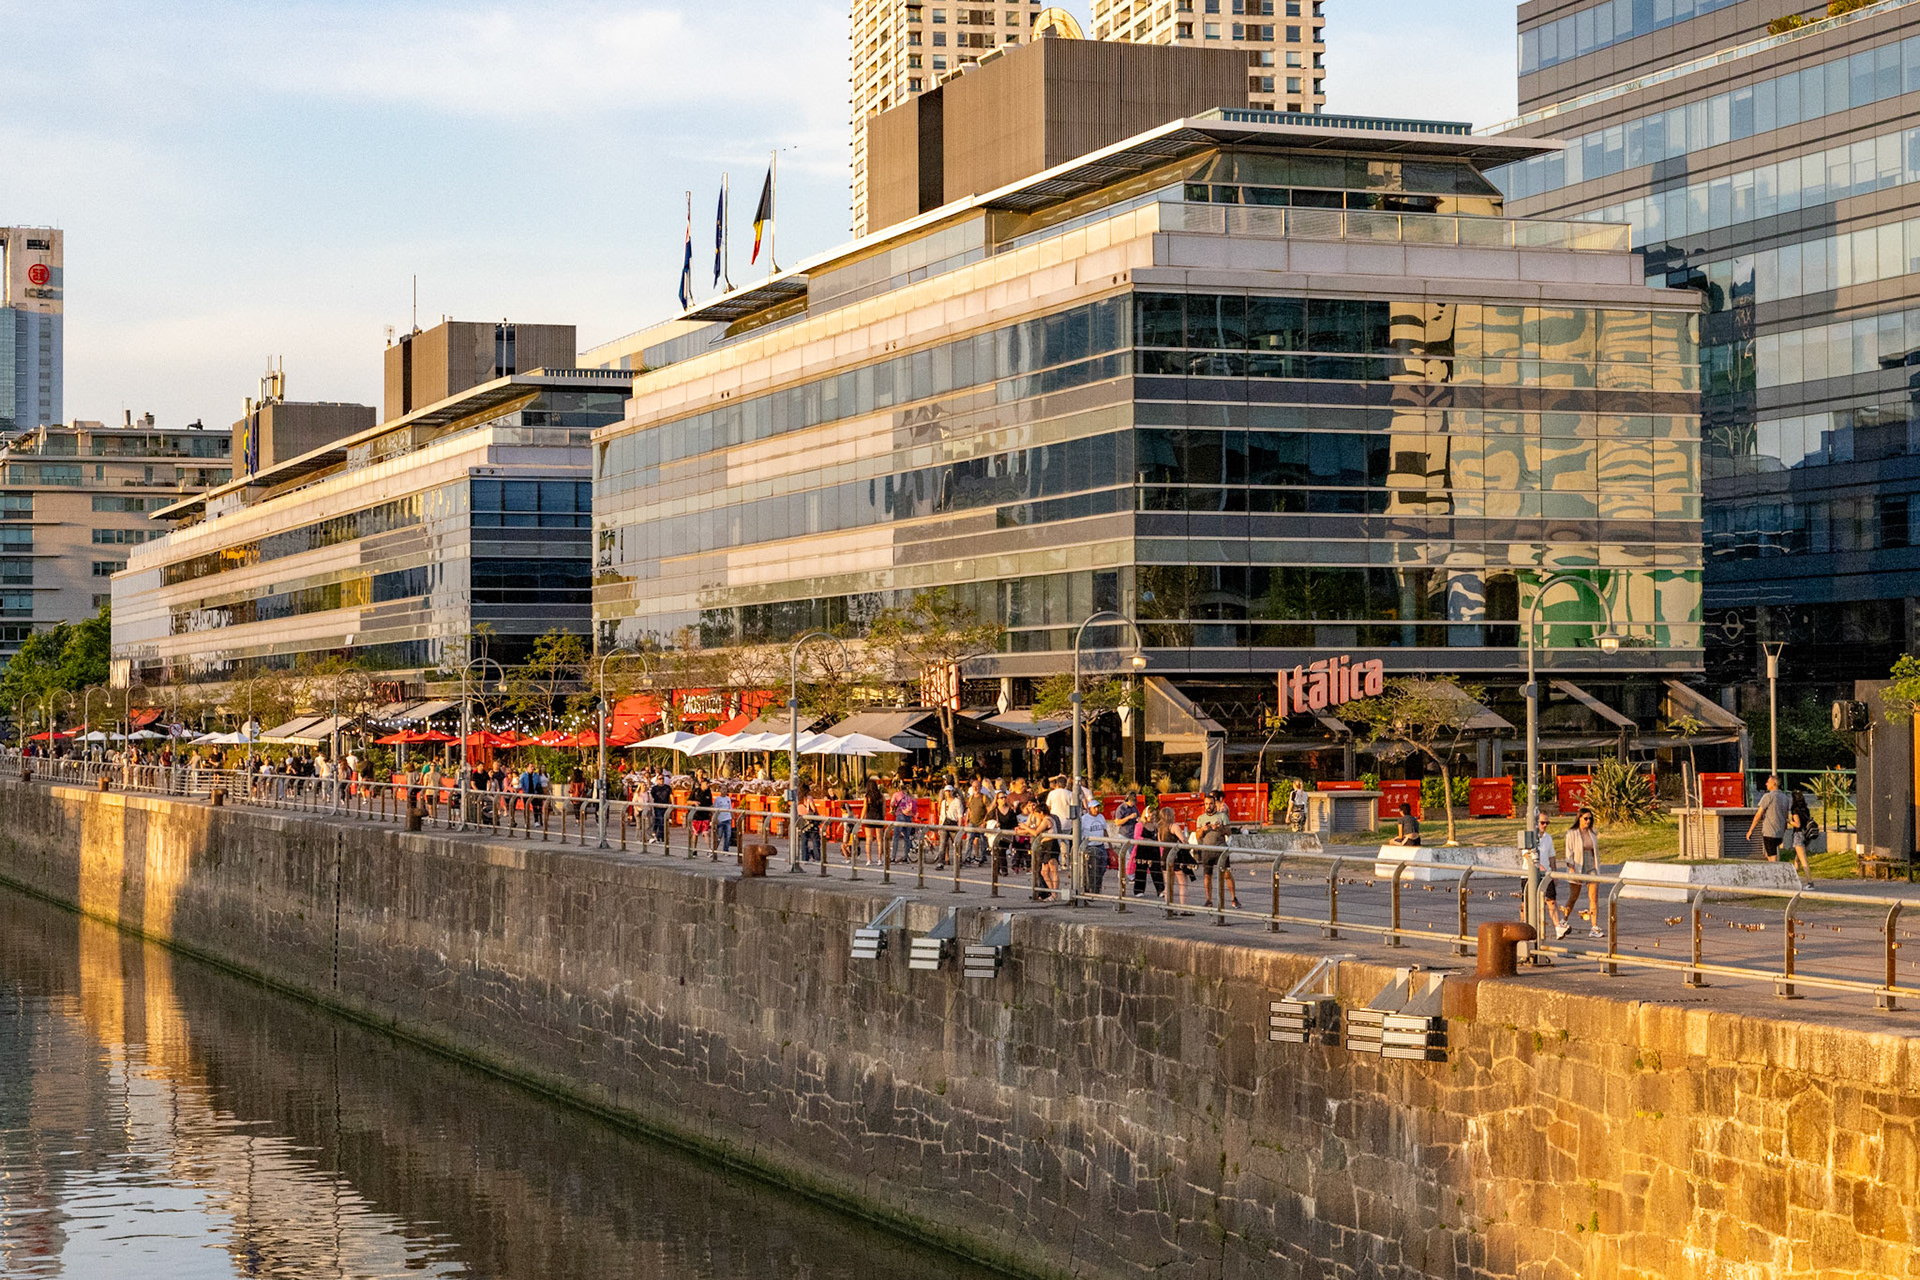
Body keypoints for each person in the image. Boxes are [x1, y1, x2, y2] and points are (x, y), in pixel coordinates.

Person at [1194, 794, 1238, 909]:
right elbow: (1197, 835)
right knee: (1207, 875)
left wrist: (1219, 828)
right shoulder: (1200, 818)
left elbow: (1229, 832)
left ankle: (1234, 898)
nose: (1208, 806)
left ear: (1215, 805)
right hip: (1207, 850)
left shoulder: (1222, 816)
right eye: (1206, 804)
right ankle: (1208, 900)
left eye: (1211, 804)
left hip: (1221, 849)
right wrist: (1202, 829)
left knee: (1226, 874)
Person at [1564, 807, 1603, 938]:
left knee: (1594, 896)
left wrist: (1596, 867)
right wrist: (1571, 869)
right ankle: (1564, 920)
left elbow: (1595, 852)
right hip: (1577, 865)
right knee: (1574, 896)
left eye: (1590, 819)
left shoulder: (1593, 833)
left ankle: (1594, 926)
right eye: (1585, 818)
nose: (1588, 821)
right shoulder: (1572, 833)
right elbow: (1568, 853)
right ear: (1579, 818)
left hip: (1591, 865)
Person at [1534, 814, 1571, 940]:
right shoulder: (1530, 836)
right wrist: (1538, 866)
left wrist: (1554, 874)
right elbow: (1526, 855)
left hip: (1547, 873)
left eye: (1547, 823)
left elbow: (1552, 856)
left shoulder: (1548, 838)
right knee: (1527, 903)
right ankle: (1526, 927)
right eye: (1542, 822)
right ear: (1536, 823)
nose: (1545, 825)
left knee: (1551, 901)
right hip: (1530, 874)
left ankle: (1558, 928)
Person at [1745, 775, 1791, 861]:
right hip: (1780, 832)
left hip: (1770, 831)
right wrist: (1784, 830)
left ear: (1774, 784)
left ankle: (1775, 869)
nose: (1766, 784)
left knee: (1772, 856)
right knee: (1769, 854)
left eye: (1768, 782)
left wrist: (1751, 830)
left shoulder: (1768, 796)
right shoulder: (1785, 798)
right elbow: (1786, 816)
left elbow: (1759, 814)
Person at [1129, 801, 1166, 900]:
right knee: (1141, 870)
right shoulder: (1140, 825)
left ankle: (1160, 890)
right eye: (1151, 815)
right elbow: (1136, 837)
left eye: (1154, 815)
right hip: (1142, 850)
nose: (1152, 817)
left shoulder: (1155, 826)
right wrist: (1147, 840)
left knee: (1156, 870)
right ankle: (1139, 890)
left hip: (1154, 850)